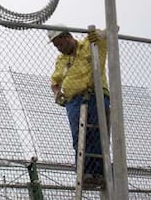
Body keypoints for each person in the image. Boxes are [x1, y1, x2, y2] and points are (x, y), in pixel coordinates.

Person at [48, 26, 110, 187]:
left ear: (68, 37)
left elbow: (111, 31)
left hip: (96, 94)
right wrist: (57, 93)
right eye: (55, 46)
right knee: (79, 136)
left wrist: (100, 34)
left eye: (59, 44)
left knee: (98, 132)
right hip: (74, 100)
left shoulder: (90, 44)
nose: (58, 48)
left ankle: (100, 173)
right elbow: (55, 82)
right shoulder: (61, 60)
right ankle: (85, 173)